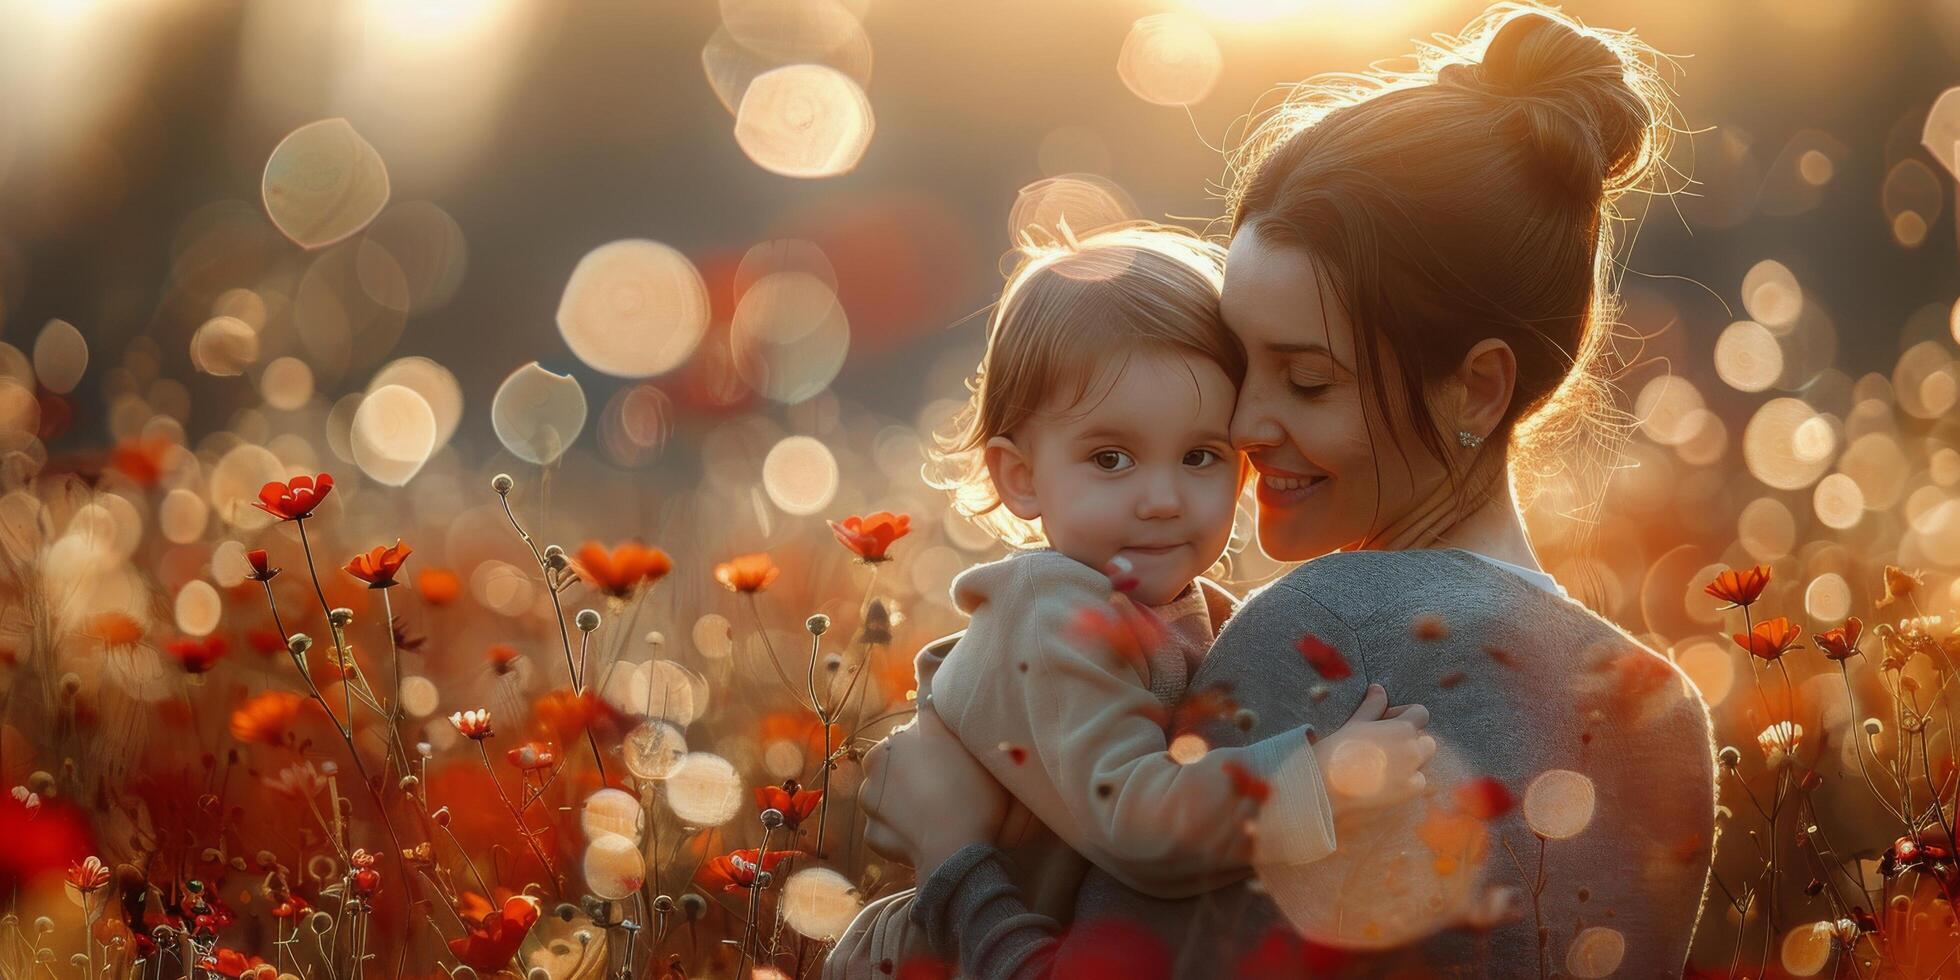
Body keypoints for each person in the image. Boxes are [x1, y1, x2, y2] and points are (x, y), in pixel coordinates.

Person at [859, 5, 1719, 977]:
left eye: (1304, 379)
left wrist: (952, 857)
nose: (1245, 423)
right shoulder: (1660, 713)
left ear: (1475, 386)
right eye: (1239, 363)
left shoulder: (1318, 638)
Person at [824, 224, 1435, 979]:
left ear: (1242, 469)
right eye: (1110, 458)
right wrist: (1321, 780)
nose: (1161, 499)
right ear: (1020, 476)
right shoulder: (1049, 611)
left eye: (1199, 456)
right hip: (933, 955)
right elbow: (1133, 821)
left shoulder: (1189, 606)